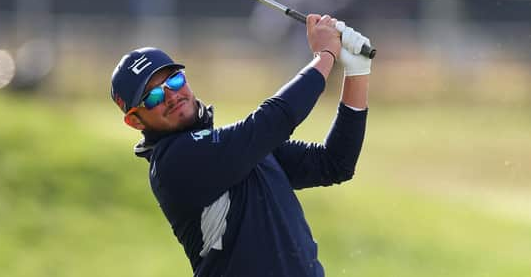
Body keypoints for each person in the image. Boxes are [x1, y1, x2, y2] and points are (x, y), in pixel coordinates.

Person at [110, 14, 372, 277]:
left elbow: (334, 164)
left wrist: (357, 71)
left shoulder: (237, 148)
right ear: (135, 121)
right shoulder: (173, 163)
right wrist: (325, 54)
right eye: (154, 96)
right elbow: (272, 121)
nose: (172, 96)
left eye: (175, 81)